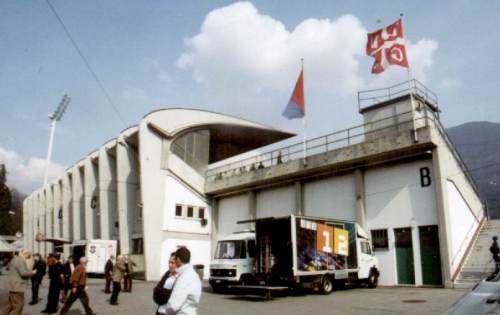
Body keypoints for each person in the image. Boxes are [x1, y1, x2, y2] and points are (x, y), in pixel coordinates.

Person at [164, 247, 201, 315]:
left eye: (175, 259)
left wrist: (166, 311)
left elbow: (173, 306)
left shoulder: (184, 277)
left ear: (178, 259)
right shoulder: (195, 275)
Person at [1, 249, 35, 315]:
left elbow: (8, 268)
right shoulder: (20, 260)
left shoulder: (15, 259)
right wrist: (32, 272)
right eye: (29, 255)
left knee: (11, 305)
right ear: (25, 253)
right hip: (17, 286)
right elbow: (23, 273)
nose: (29, 256)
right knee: (19, 305)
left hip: (13, 285)